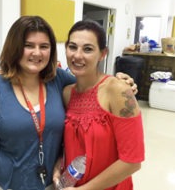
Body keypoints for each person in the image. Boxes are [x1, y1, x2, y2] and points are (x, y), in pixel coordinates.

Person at [0, 16, 138, 190]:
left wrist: (123, 85)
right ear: (14, 47)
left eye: (44, 46)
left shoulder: (58, 81)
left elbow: (91, 87)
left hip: (51, 185)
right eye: (28, 45)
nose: (37, 52)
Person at [53, 20, 145, 190]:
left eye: (88, 49)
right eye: (73, 47)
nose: (78, 55)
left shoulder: (117, 90)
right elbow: (70, 144)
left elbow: (132, 161)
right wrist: (59, 163)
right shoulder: (67, 93)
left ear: (103, 54)